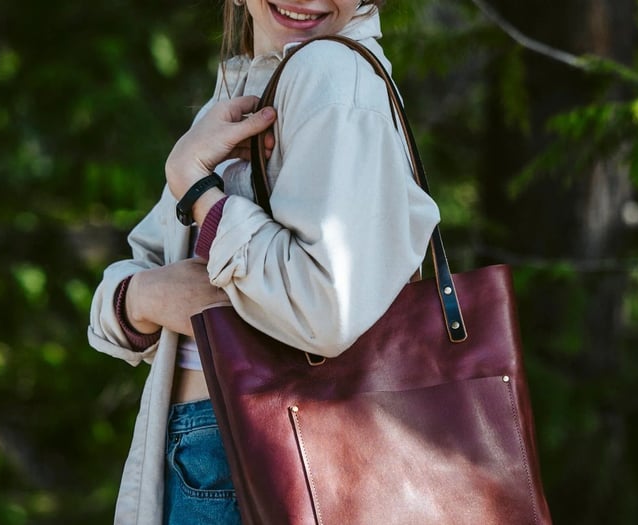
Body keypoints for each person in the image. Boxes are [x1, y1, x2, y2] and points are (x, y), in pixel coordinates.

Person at [87, 1, 440, 524]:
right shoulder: (247, 84)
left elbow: (325, 310)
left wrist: (198, 186)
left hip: (254, 450)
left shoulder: (333, 73)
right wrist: (140, 299)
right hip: (220, 447)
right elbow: (145, 268)